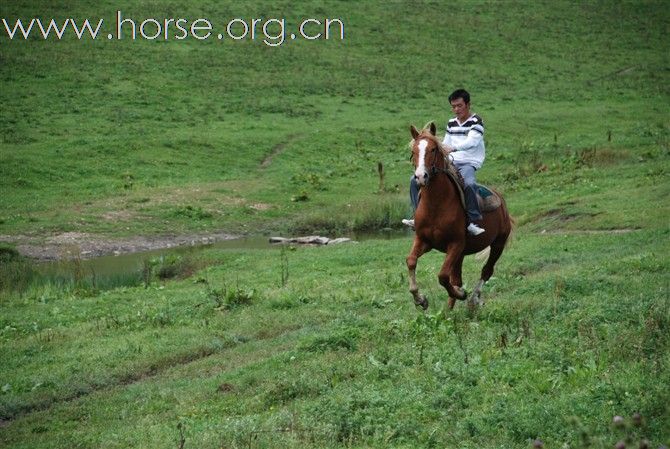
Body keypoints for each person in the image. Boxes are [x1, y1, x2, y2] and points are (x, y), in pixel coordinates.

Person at [402, 89, 486, 236]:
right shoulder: (451, 123)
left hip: (468, 162)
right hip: (452, 161)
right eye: (453, 106)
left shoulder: (476, 121)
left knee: (470, 184)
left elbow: (472, 141)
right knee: (413, 180)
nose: (456, 109)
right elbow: (446, 142)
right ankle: (417, 217)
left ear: (468, 104)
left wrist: (453, 148)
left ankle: (472, 221)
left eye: (459, 106)